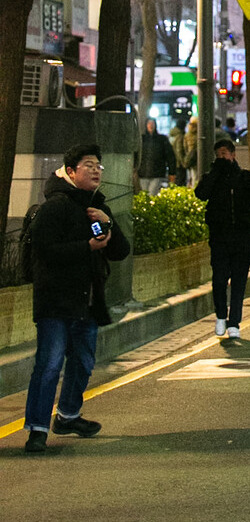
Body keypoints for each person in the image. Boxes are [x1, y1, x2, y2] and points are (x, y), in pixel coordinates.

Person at [23, 143, 131, 454]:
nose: (96, 170)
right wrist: (88, 247)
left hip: (87, 302)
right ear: (71, 171)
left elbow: (119, 250)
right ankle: (37, 429)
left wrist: (106, 222)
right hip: (55, 302)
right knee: (49, 364)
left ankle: (68, 416)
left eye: (99, 165)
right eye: (89, 165)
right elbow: (44, 252)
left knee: (83, 362)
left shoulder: (96, 207)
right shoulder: (55, 206)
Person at [195, 136, 250, 338]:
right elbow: (201, 194)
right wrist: (215, 172)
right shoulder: (212, 178)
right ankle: (220, 315)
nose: (221, 158)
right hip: (219, 237)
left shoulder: (244, 177)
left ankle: (234, 322)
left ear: (233, 155)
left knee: (239, 281)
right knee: (218, 279)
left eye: (224, 154)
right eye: (218, 155)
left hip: (242, 236)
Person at [138, 118, 176, 195]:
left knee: (151, 194)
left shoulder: (162, 140)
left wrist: (172, 172)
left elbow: (170, 157)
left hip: (157, 173)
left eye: (152, 124)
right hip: (143, 173)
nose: (151, 126)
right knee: (145, 195)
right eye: (149, 123)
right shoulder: (141, 139)